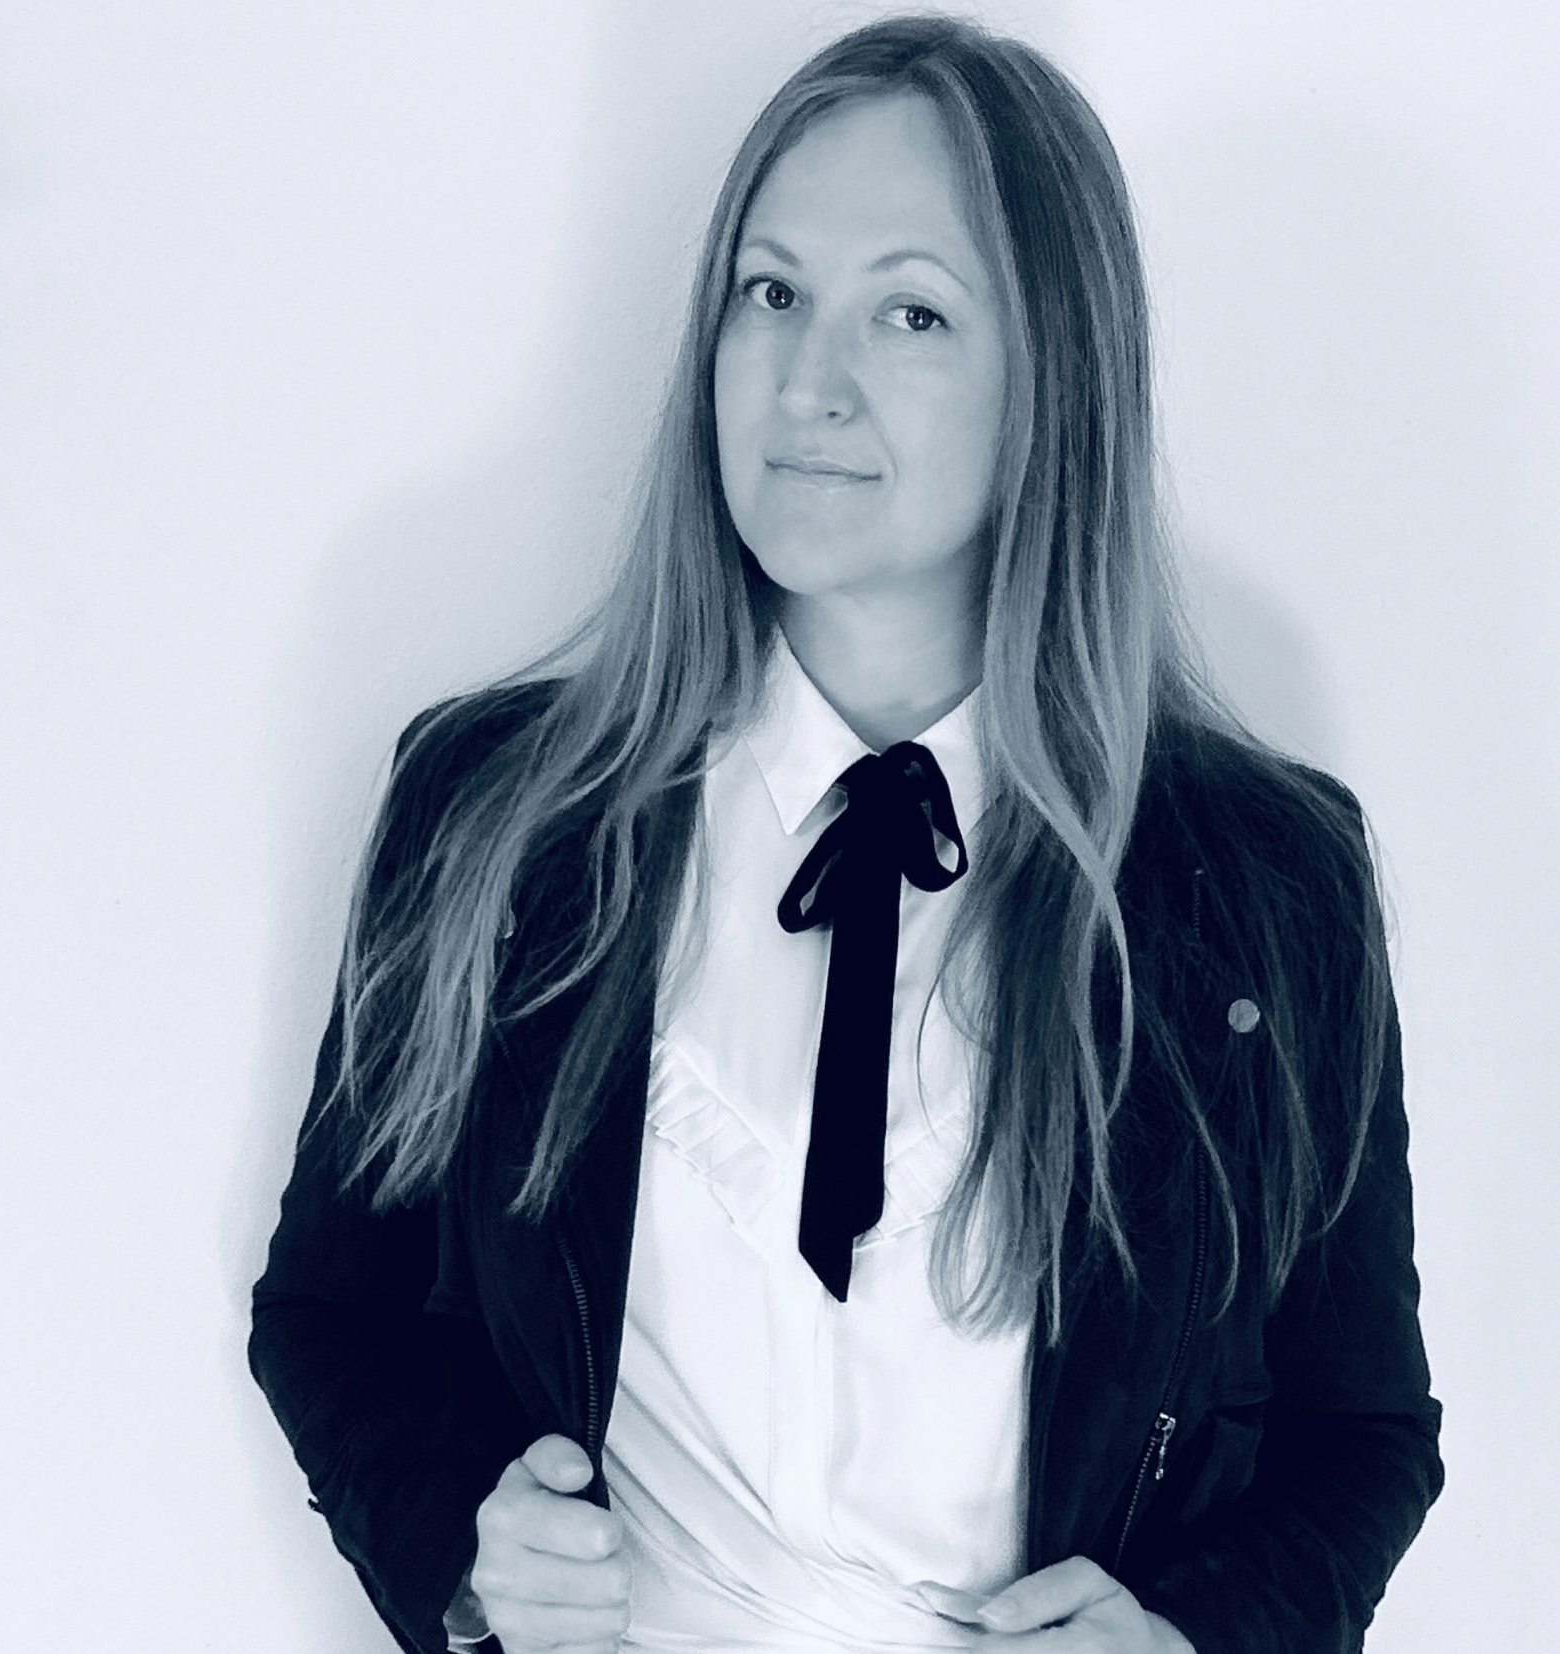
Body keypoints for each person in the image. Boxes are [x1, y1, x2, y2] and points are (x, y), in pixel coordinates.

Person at [250, 16, 1442, 1654]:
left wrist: (1193, 1636)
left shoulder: (1261, 883)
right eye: (769, 292)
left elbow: (1360, 1431)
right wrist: (468, 1546)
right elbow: (331, 1310)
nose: (806, 381)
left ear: (1054, 379)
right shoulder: (493, 815)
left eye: (911, 311)